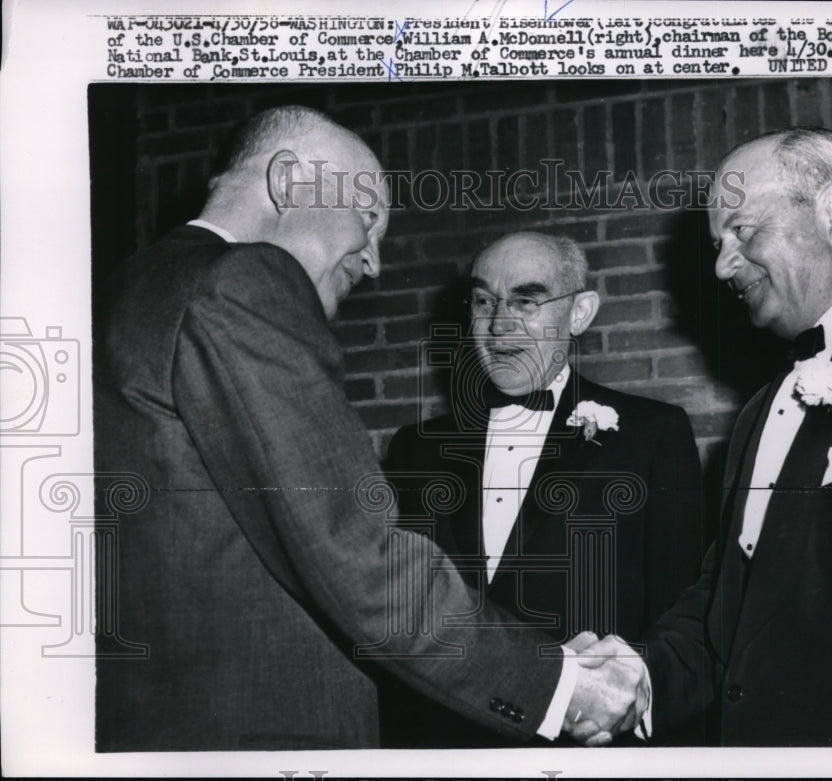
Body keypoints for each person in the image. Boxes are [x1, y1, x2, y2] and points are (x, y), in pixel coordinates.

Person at [93, 106, 646, 751]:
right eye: (368, 219)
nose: (376, 261)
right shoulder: (241, 282)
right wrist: (556, 685)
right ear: (291, 182)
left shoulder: (119, 290)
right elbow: (354, 549)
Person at [575, 127, 832, 748]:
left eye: (743, 230)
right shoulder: (759, 411)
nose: (723, 264)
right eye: (718, 243)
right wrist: (635, 681)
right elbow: (729, 605)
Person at [379, 232, 705, 747]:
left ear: (579, 314)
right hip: (443, 748)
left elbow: (680, 617)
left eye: (526, 300)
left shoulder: (651, 434)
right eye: (484, 301)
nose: (500, 323)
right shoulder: (415, 450)